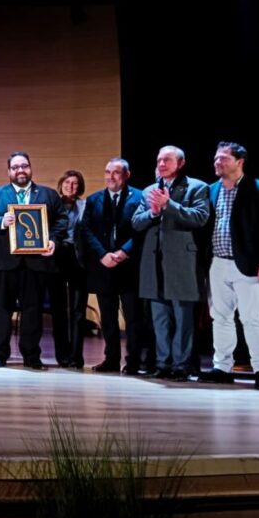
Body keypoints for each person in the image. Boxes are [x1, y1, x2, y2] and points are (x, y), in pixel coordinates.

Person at [0, 151, 67, 370]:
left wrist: (53, 240)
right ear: (9, 171)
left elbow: (62, 220)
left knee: (32, 311)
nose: (20, 170)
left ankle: (31, 356)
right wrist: (1, 221)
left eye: (24, 166)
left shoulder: (47, 194)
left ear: (30, 168)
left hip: (35, 263)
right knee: (0, 310)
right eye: (15, 167)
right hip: (2, 264)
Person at [131, 145, 209, 381]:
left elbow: (200, 217)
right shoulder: (149, 190)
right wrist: (154, 213)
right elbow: (136, 222)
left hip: (182, 263)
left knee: (183, 318)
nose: (162, 164)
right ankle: (162, 363)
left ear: (180, 163)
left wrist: (169, 206)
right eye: (159, 160)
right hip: (154, 262)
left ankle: (181, 365)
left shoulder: (197, 187)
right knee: (160, 319)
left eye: (167, 160)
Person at [198, 142, 259, 390]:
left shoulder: (257, 188)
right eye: (216, 158)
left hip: (248, 264)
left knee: (252, 318)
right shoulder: (211, 190)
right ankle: (222, 368)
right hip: (217, 262)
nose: (218, 162)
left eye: (224, 158)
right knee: (220, 317)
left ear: (240, 161)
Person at [80, 158, 152, 374]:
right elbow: (86, 230)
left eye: (116, 172)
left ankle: (133, 362)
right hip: (104, 266)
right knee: (108, 318)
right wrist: (103, 254)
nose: (110, 177)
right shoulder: (94, 199)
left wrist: (124, 251)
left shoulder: (140, 197)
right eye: (107, 172)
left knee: (133, 318)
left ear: (127, 175)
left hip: (129, 266)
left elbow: (142, 229)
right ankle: (111, 359)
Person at [48, 170, 87, 367]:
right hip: (57, 257)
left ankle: (76, 355)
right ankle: (62, 355)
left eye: (75, 183)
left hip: (79, 259)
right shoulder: (52, 205)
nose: (70, 186)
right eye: (67, 183)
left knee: (78, 309)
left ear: (79, 187)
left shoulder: (85, 205)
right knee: (59, 309)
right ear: (61, 184)